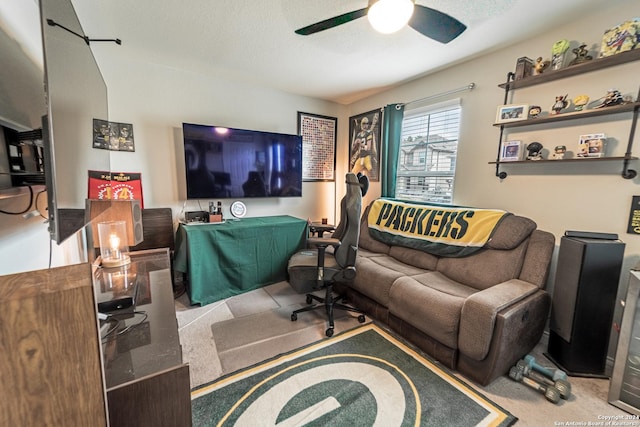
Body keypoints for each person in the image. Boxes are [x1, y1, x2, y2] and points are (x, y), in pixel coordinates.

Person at [350, 113, 378, 178]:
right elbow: (353, 148)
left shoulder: (369, 134)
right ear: (361, 124)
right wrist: (355, 143)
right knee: (352, 174)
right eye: (364, 123)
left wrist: (360, 143)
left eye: (366, 124)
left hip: (366, 157)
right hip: (360, 157)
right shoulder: (359, 134)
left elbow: (368, 148)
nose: (365, 126)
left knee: (371, 172)